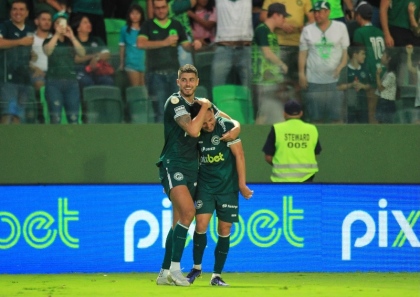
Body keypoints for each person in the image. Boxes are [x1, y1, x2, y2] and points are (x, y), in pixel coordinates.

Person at [155, 64, 239, 286]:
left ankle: (164, 273)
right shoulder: (176, 103)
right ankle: (175, 270)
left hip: (192, 169)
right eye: (184, 80)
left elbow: (226, 120)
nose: (188, 84)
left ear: (197, 82)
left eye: (192, 80)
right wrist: (205, 106)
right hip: (174, 165)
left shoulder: (201, 104)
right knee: (189, 212)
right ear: (178, 82)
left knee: (178, 222)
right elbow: (193, 130)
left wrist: (236, 127)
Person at [185, 102, 253, 287]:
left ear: (213, 114)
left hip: (227, 187)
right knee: (200, 224)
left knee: (224, 229)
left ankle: (216, 275)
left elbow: (239, 155)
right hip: (205, 186)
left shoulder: (225, 126)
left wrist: (242, 184)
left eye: (210, 121)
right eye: (204, 124)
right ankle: (196, 268)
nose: (209, 125)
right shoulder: (194, 133)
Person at [137, 0, 202, 123]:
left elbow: (186, 46)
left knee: (178, 111)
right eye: (157, 8)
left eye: (163, 7)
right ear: (154, 9)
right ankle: (161, 140)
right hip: (155, 75)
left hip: (174, 75)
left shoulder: (176, 25)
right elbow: (140, 43)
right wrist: (164, 42)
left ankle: (176, 141)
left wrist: (194, 45)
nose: (160, 10)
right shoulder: (148, 25)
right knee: (161, 112)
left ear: (167, 7)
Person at [298, 1, 349, 123]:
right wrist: (301, 74)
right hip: (314, 80)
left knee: (337, 118)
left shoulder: (340, 27)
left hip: (335, 81)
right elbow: (303, 53)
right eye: (315, 12)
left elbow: (345, 53)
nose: (317, 15)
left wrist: (340, 67)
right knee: (316, 119)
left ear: (328, 12)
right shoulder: (307, 30)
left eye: (319, 12)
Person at [262, 100, 321, 182]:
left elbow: (268, 157)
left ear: (284, 114)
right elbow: (315, 154)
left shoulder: (277, 129)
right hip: (307, 178)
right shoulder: (312, 129)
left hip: (281, 179)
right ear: (301, 113)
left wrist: (280, 166)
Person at [43, 11, 85, 124]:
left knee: (73, 118)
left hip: (71, 82)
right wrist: (56, 34)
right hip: (53, 82)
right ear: (54, 25)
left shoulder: (70, 42)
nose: (61, 25)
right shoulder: (48, 40)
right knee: (55, 118)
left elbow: (82, 53)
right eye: (58, 23)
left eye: (63, 23)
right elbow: (47, 51)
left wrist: (72, 37)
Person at [253, 3, 290, 125]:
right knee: (263, 114)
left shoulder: (272, 34)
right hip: (263, 80)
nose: (284, 20)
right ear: (275, 15)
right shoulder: (262, 30)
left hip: (273, 80)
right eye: (283, 16)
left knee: (274, 115)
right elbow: (267, 53)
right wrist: (282, 64)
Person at [0, 0, 35, 124]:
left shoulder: (30, 30)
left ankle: (16, 142)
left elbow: (31, 53)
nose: (17, 12)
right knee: (8, 112)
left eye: (21, 9)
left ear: (27, 13)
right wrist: (20, 41)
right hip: (8, 78)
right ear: (10, 12)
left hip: (25, 78)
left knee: (19, 115)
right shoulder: (4, 26)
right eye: (15, 9)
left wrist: (33, 57)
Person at [352, 1, 385, 124]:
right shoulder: (379, 31)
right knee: (379, 112)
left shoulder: (359, 32)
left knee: (371, 112)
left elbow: (359, 58)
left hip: (369, 73)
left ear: (359, 16)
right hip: (382, 73)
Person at [212, 0, 253, 90]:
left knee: (249, 89)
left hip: (245, 48)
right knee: (218, 87)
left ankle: (247, 105)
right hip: (223, 47)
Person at [72, 15, 114, 90]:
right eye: (85, 22)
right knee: (86, 82)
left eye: (89, 22)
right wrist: (94, 56)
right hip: (80, 70)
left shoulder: (96, 40)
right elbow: (76, 59)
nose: (89, 24)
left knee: (108, 81)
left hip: (97, 70)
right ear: (78, 28)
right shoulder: (74, 41)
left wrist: (97, 58)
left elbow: (107, 54)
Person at [337, 47, 370, 123]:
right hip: (349, 106)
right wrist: (351, 85)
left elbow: (369, 85)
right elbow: (339, 87)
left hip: (363, 105)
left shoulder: (365, 69)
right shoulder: (345, 70)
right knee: (349, 129)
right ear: (355, 55)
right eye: (362, 54)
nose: (364, 56)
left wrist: (363, 86)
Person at [30, 10, 52, 123]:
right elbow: (23, 59)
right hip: (35, 72)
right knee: (40, 84)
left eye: (49, 20)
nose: (47, 22)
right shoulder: (30, 38)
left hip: (53, 73)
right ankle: (41, 117)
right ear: (36, 21)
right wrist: (35, 68)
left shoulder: (54, 39)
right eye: (43, 19)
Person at [118, 3, 146, 87]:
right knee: (136, 88)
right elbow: (122, 47)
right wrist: (122, 63)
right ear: (129, 15)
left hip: (143, 63)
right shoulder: (124, 30)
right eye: (132, 13)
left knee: (143, 88)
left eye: (137, 13)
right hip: (131, 63)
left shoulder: (145, 29)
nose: (135, 16)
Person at [375, 47, 399, 123]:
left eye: (383, 55)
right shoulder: (387, 72)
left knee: (385, 123)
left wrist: (377, 75)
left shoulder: (391, 75)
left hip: (386, 102)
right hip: (384, 101)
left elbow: (381, 88)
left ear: (389, 59)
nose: (381, 57)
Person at [405, 44, 420, 123]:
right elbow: (410, 67)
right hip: (419, 101)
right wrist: (409, 54)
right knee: (416, 121)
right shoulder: (418, 71)